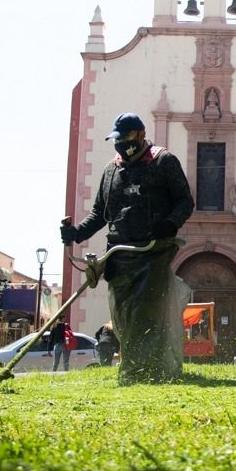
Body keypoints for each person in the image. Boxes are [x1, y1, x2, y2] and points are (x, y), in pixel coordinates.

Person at [60, 112, 194, 383]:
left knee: (144, 315)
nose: (121, 145)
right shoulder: (112, 170)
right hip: (118, 255)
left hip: (152, 251)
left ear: (142, 135)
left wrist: (169, 223)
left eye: (127, 139)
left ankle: (141, 373)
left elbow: (184, 202)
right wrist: (76, 233)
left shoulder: (163, 161)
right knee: (123, 319)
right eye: (117, 140)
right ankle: (143, 368)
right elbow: (100, 213)